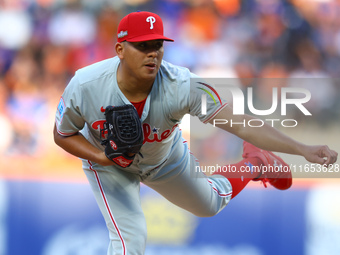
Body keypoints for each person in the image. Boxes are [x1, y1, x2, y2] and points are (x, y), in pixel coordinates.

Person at [53, 11, 338, 255]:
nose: (153, 53)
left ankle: (256, 164)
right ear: (120, 49)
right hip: (109, 163)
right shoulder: (86, 84)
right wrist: (100, 157)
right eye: (142, 46)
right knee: (130, 238)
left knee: (209, 205)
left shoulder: (182, 85)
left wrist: (302, 149)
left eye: (158, 45)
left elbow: (239, 123)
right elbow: (62, 134)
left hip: (164, 157)